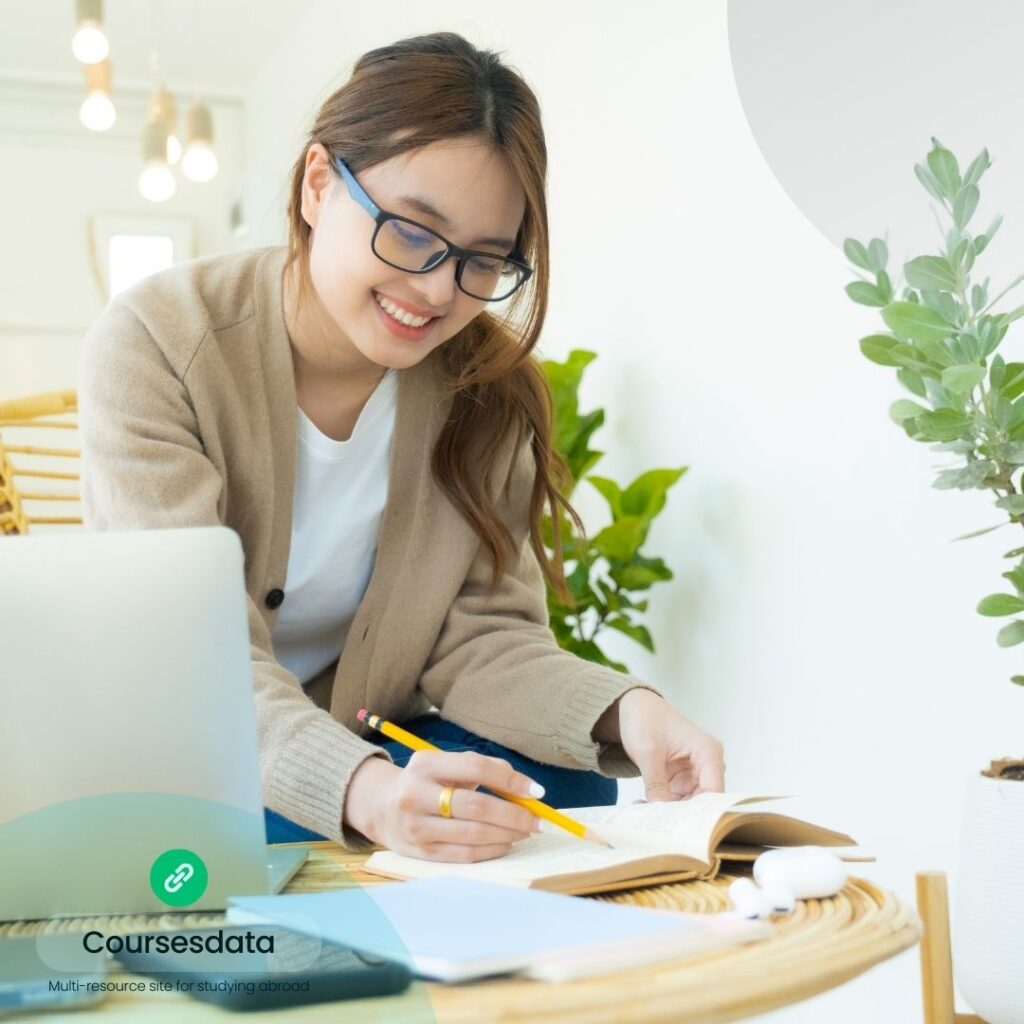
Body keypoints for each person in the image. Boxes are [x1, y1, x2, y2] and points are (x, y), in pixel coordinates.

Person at [77, 31, 725, 864]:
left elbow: (483, 642)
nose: (436, 291)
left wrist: (626, 711)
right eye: (412, 233)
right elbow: (182, 655)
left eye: (483, 261)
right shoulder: (156, 342)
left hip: (375, 736)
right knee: (235, 821)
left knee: (559, 788)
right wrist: (365, 791)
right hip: (187, 746)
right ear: (319, 185)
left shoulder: (482, 389)